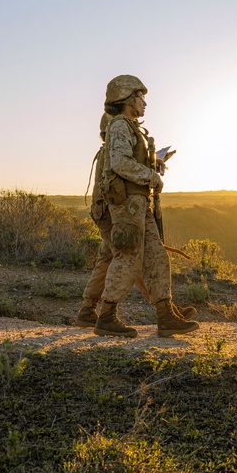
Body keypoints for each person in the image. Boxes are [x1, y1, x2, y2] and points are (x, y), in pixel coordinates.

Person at [93, 75, 199, 338]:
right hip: (127, 204)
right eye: (141, 97)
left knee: (156, 256)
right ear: (128, 99)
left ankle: (166, 316)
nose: (144, 103)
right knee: (128, 256)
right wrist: (151, 176)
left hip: (139, 202)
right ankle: (106, 316)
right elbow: (120, 163)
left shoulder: (130, 127)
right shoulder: (120, 125)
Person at [75, 113, 196, 327]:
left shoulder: (106, 151)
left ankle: (87, 310)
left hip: (107, 211)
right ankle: (162, 309)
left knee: (108, 258)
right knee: (133, 256)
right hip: (113, 211)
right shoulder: (111, 152)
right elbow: (122, 174)